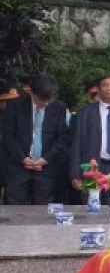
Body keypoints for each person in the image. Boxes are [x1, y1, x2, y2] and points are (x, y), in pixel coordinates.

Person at [1, 75, 70, 205]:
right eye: (41, 100)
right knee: (15, 206)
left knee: (42, 208)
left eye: (48, 100)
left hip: (45, 168)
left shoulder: (58, 107)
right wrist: (22, 158)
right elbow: (8, 136)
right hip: (18, 167)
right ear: (31, 93)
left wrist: (46, 159)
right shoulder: (15, 106)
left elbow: (62, 137)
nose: (45, 103)